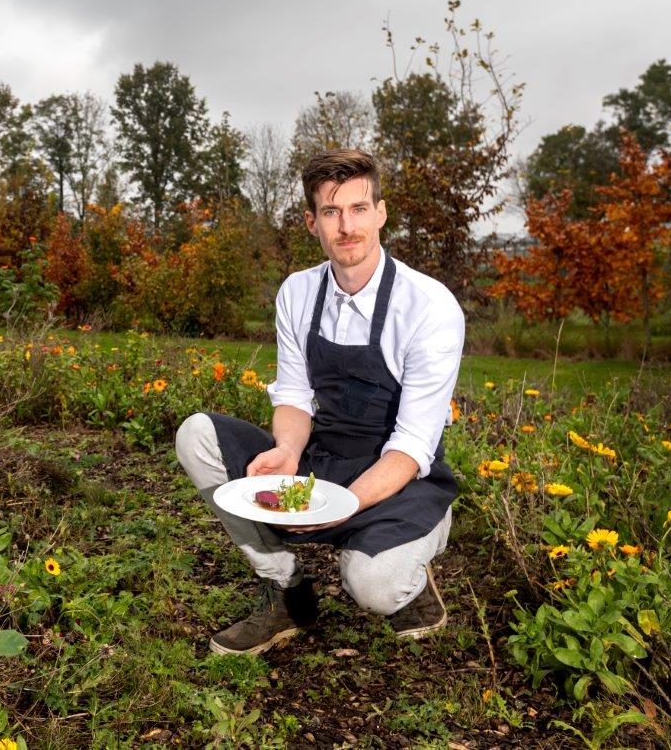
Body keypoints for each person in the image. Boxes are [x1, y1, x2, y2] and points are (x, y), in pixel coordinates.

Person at [176, 148, 464, 655]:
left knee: (372, 587)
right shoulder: (297, 292)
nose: (346, 226)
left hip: (399, 477)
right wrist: (287, 453)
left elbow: (415, 443)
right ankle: (287, 591)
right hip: (320, 464)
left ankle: (413, 572)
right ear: (312, 222)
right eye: (331, 212)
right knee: (196, 434)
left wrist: (343, 507)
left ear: (381, 212)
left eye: (357, 209)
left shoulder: (428, 305)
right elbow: (293, 395)